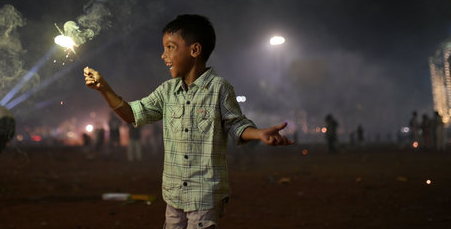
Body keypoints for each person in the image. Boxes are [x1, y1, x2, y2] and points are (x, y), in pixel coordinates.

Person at [83, 14, 294, 228]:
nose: (163, 55)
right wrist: (104, 89)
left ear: (194, 50)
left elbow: (236, 125)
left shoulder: (219, 88)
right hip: (173, 194)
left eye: (170, 47)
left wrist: (259, 133)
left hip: (205, 194)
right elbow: (132, 114)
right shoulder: (166, 91)